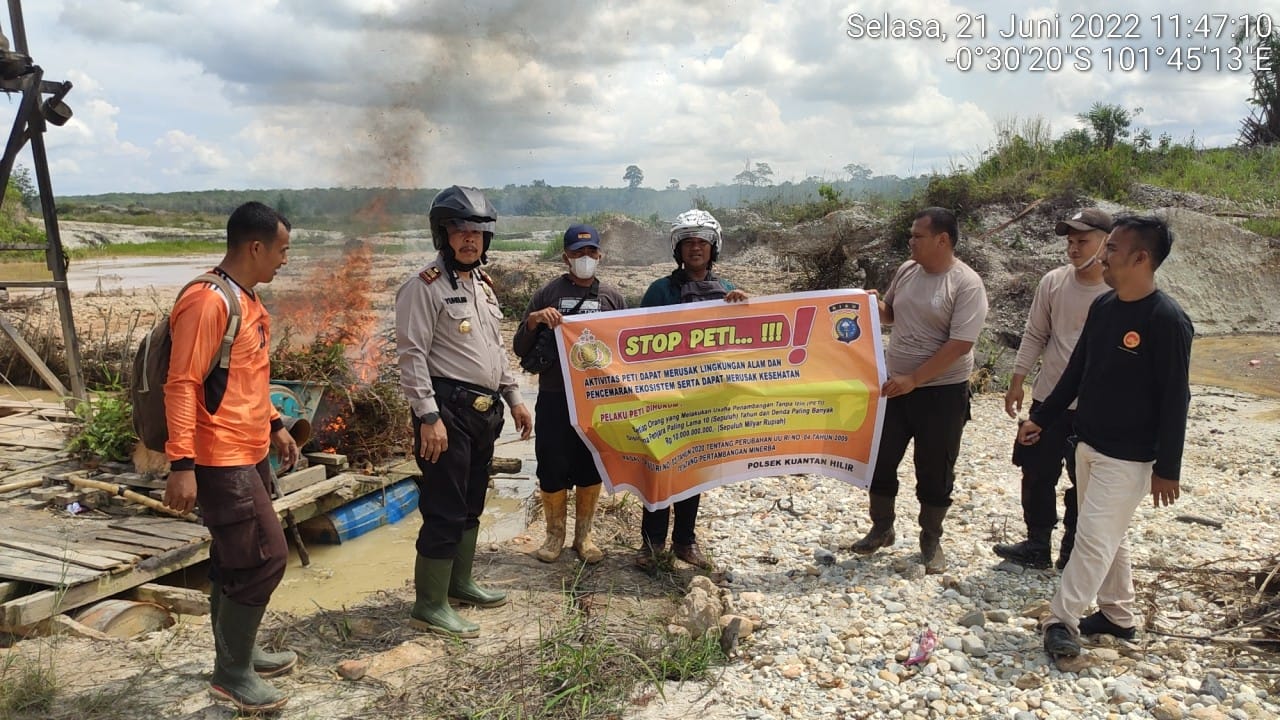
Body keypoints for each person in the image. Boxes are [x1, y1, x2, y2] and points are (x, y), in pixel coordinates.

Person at [1019, 215, 1193, 659]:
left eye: (1112, 249)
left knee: (1094, 536)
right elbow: (1078, 370)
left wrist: (1168, 468)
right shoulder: (1105, 307)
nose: (1102, 256)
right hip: (1088, 443)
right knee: (1110, 535)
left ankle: (1062, 618)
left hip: (1131, 456)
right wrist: (1043, 414)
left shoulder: (1168, 320)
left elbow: (1176, 399)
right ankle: (1119, 616)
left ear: (1141, 258)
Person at [161, 201, 298, 714]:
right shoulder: (208, 301)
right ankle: (231, 674)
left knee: (233, 558)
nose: (285, 260)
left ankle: (238, 652)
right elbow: (181, 383)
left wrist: (276, 427)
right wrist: (181, 465)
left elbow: (246, 380)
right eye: (281, 251)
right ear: (255, 247)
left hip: (250, 448)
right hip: (220, 457)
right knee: (266, 558)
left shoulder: (247, 300)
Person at [395, 185, 533, 638]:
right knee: (445, 507)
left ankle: (460, 583)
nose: (469, 239)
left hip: (484, 411)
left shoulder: (482, 287)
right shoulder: (424, 287)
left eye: (477, 231)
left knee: (472, 502)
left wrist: (514, 398)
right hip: (446, 412)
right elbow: (412, 355)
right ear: (443, 234)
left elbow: (493, 348)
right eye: (459, 230)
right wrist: (428, 417)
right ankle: (429, 604)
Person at [851, 207, 988, 574]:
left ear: (942, 240)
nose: (910, 241)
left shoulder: (965, 284)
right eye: (910, 235)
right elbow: (891, 313)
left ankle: (931, 538)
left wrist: (916, 379)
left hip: (941, 392)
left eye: (917, 236)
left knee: (935, 468)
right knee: (879, 458)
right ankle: (882, 528)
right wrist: (869, 305)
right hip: (895, 386)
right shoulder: (908, 270)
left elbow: (960, 343)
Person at [996, 208, 1113, 570]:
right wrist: (1018, 380)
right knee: (1035, 471)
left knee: (1085, 480)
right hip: (1048, 400)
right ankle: (1036, 542)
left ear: (1106, 242)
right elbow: (1036, 334)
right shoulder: (1054, 282)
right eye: (1070, 242)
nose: (1074, 249)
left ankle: (1073, 548)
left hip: (1095, 406)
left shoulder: (1116, 290)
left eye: (1083, 241)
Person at [636, 209, 748, 571]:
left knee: (693, 469)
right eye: (688, 243)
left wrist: (744, 308)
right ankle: (651, 545)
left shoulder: (730, 290)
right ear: (678, 250)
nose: (695, 249)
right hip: (665, 396)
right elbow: (636, 339)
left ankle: (685, 542)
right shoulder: (660, 291)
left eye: (702, 242)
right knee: (658, 468)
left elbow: (749, 338)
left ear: (713, 247)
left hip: (708, 398)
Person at [514, 224, 627, 564]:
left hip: (596, 399)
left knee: (591, 464)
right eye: (577, 254)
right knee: (551, 464)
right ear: (565, 257)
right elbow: (520, 347)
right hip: (554, 395)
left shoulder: (611, 297)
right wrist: (534, 321)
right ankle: (553, 536)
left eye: (591, 252)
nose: (585, 259)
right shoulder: (547, 294)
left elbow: (627, 349)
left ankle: (584, 536)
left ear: (600, 255)